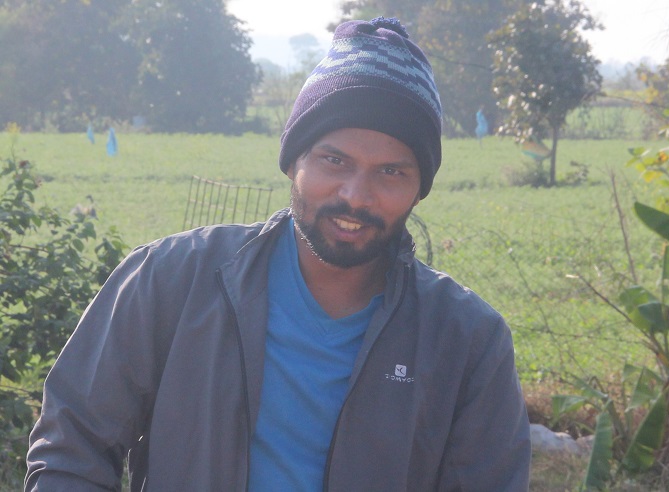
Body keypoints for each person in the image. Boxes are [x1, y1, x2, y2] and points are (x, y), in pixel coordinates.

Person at [25, 17, 531, 491]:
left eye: (391, 172)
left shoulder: (467, 341)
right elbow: (71, 446)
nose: (356, 196)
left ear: (420, 189)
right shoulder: (171, 280)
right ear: (293, 162)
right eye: (334, 160)